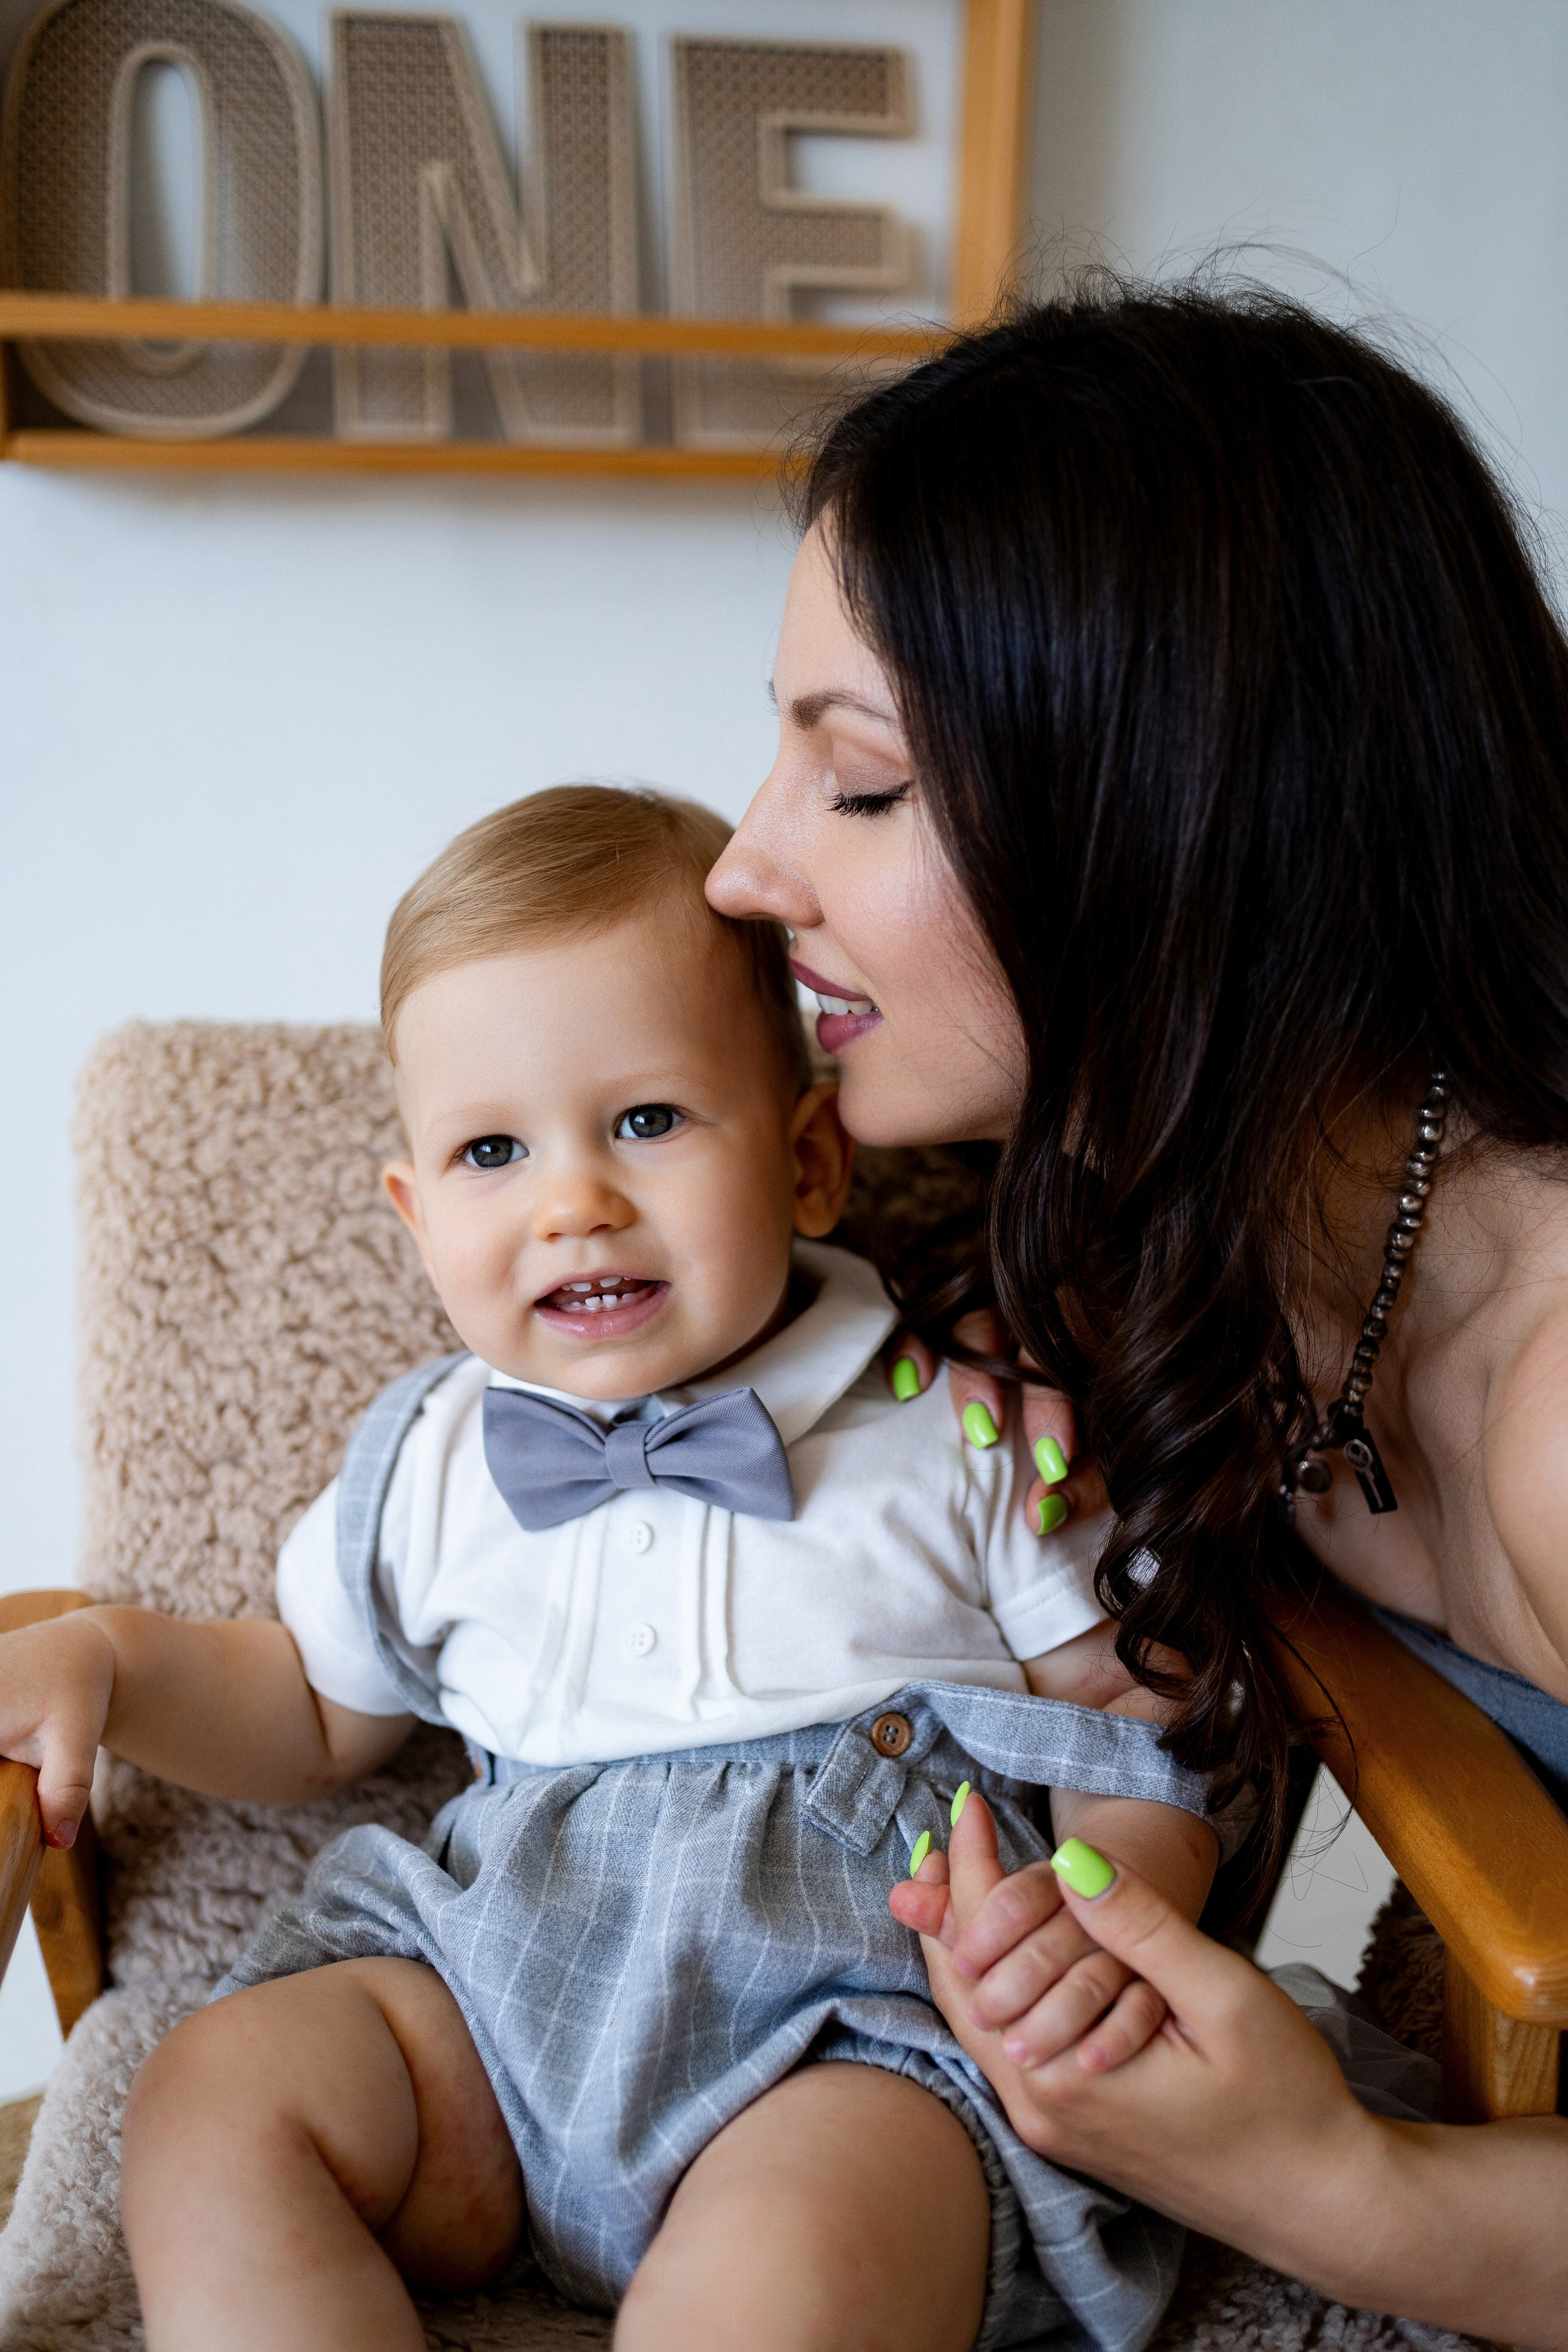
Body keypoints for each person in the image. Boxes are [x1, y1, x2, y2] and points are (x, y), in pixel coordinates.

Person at [0, 785, 1228, 2352]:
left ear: (802, 1164)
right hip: (494, 2031)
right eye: (492, 1150)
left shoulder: (960, 1419)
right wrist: (109, 1659)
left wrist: (1095, 1915)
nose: (572, 1201)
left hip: (845, 2039)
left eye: (645, 1121)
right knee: (214, 2095)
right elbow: (306, 1705)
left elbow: (1118, 1716)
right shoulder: (435, 1455)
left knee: (779, 2279)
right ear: (414, 1209)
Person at [706, 276, 1568, 2349]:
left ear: (1178, 815)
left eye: (863, 783)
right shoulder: (1146, 1233)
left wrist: (1327, 2181)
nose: (744, 867)